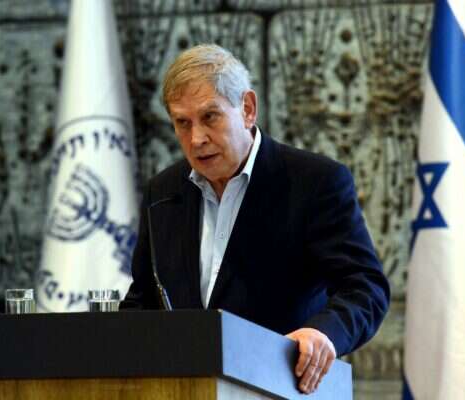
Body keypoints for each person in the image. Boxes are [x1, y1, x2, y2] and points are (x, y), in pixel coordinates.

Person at [121, 44, 390, 394]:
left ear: (247, 109)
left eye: (210, 117)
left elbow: (365, 287)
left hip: (284, 388)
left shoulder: (315, 182)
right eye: (182, 123)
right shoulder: (163, 193)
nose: (196, 139)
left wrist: (323, 333)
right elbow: (143, 301)